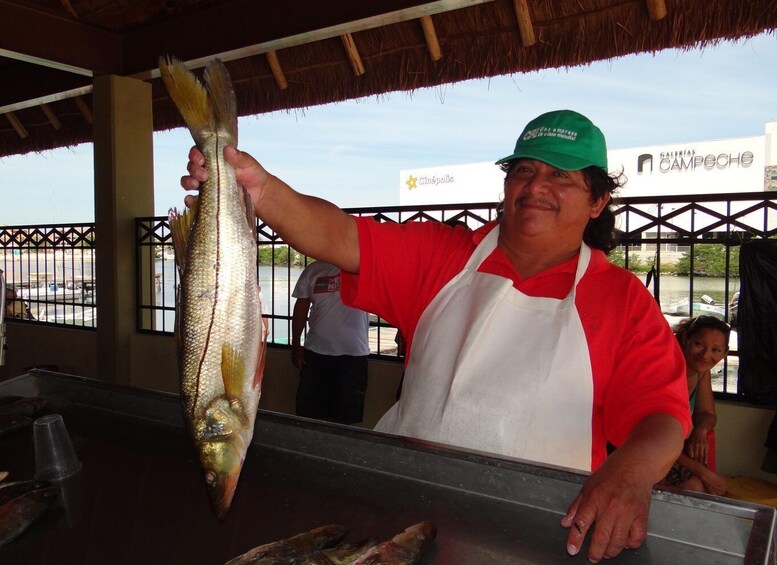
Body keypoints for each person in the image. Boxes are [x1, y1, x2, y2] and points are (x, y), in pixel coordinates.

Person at [181, 109, 691, 563]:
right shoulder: (443, 256)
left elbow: (662, 415)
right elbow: (334, 233)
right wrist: (259, 188)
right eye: (523, 170)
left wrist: (631, 473)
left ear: (598, 200)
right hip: (400, 525)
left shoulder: (623, 300)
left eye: (560, 176)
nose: (535, 187)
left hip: (538, 536)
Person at [291, 260, 370, 424]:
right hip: (315, 354)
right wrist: (296, 344)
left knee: (347, 418)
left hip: (353, 356)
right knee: (309, 414)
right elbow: (300, 308)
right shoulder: (313, 270)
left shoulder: (363, 267)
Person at [659, 316, 729, 495]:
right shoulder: (665, 369)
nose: (706, 355)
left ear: (725, 353)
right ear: (685, 339)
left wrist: (701, 430)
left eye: (716, 350)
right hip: (650, 448)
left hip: (675, 451)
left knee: (705, 487)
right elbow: (653, 434)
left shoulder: (701, 373)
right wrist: (703, 472)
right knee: (698, 487)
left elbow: (707, 413)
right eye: (699, 344)